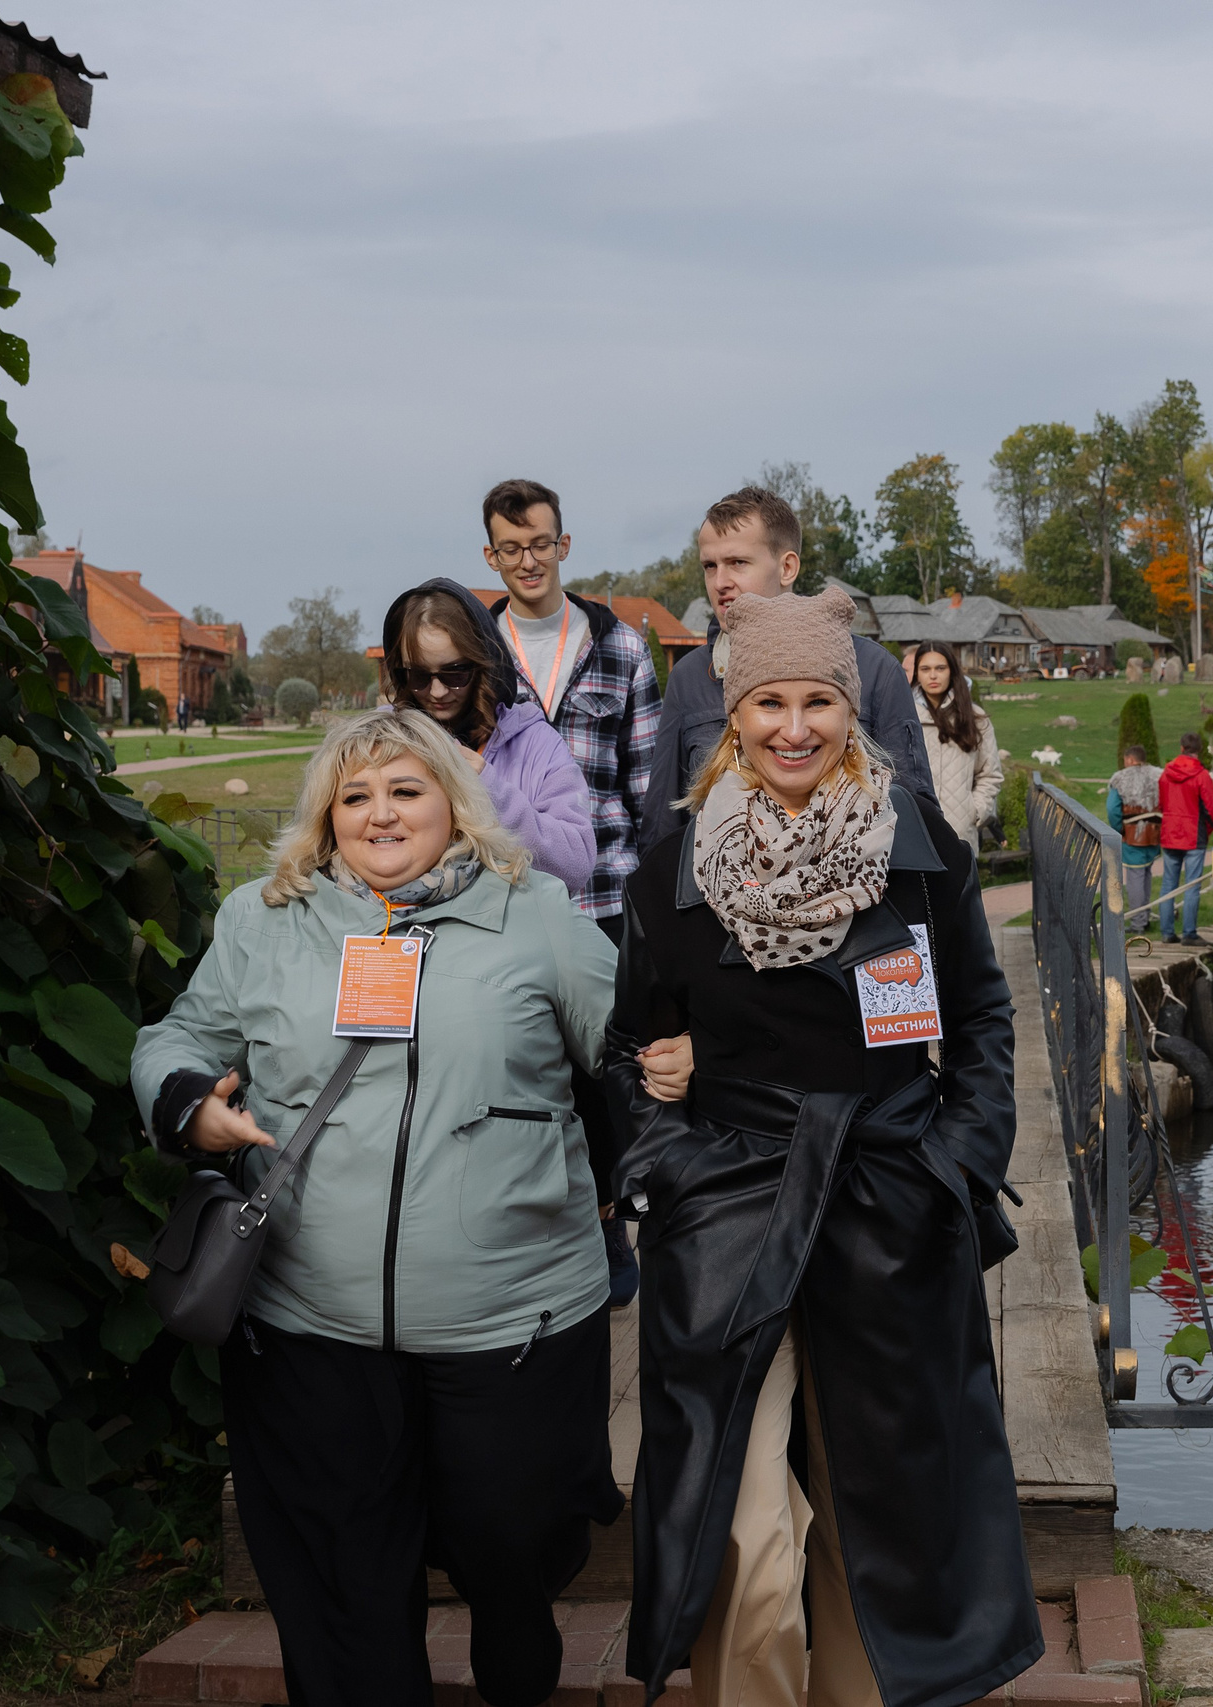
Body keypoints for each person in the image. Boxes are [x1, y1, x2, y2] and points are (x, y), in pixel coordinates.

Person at [130, 706, 622, 1707]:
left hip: (511, 1327)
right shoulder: (262, 919)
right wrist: (189, 1106)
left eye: (406, 790)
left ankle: (514, 1644)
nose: (381, 814)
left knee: (512, 1549)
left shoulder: (536, 916)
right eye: (354, 796)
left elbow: (641, 1054)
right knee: (345, 1592)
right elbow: (174, 1035)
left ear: (453, 802)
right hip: (312, 1327)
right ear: (324, 814)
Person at [605, 586, 1041, 1707]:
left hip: (888, 1199)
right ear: (730, 719)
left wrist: (960, 1159)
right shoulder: (674, 875)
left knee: (875, 1522)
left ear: (850, 713)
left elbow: (985, 1018)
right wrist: (673, 1160)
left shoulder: (915, 852)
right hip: (732, 1205)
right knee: (738, 1529)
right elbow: (628, 1052)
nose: (793, 727)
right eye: (767, 703)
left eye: (816, 702)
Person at [480, 476, 665, 1306]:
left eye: (540, 543)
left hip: (604, 895)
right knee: (518, 1061)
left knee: (606, 1072)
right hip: (499, 895)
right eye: (510, 548)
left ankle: (612, 1220)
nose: (528, 560)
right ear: (491, 555)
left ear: (564, 546)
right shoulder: (475, 651)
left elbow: (649, 787)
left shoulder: (620, 648)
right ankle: (529, 1228)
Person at [637, 486, 938, 854]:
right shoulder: (690, 678)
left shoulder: (873, 669)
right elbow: (663, 827)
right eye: (710, 566)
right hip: (722, 900)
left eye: (738, 563)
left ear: (787, 567)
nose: (720, 582)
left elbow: (915, 815)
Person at [380, 578, 596, 894]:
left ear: (484, 664)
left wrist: (489, 790)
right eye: (418, 676)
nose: (437, 691)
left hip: (510, 934)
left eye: (455, 674)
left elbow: (574, 867)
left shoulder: (536, 742)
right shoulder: (376, 739)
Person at [909, 639, 1003, 849]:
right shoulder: (905, 717)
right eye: (925, 669)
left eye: (940, 668)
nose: (933, 675)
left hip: (960, 833)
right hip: (915, 832)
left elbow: (990, 774)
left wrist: (976, 812)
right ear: (917, 674)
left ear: (951, 671)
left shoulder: (975, 718)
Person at [1155, 730, 1213, 945]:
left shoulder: (1166, 773)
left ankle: (1166, 932)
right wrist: (1208, 830)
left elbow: (1161, 803)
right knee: (1192, 885)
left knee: (1168, 883)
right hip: (1194, 834)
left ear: (1181, 748)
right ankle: (1189, 932)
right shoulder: (1202, 776)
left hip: (1171, 831)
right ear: (1199, 750)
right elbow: (1210, 810)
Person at [1104, 742, 1163, 935]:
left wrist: (1119, 830)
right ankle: (1144, 917)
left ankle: (1138, 922)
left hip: (1132, 834)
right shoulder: (1159, 775)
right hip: (1155, 832)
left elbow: (1113, 809)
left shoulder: (1120, 778)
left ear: (1130, 759)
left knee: (1135, 877)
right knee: (1146, 874)